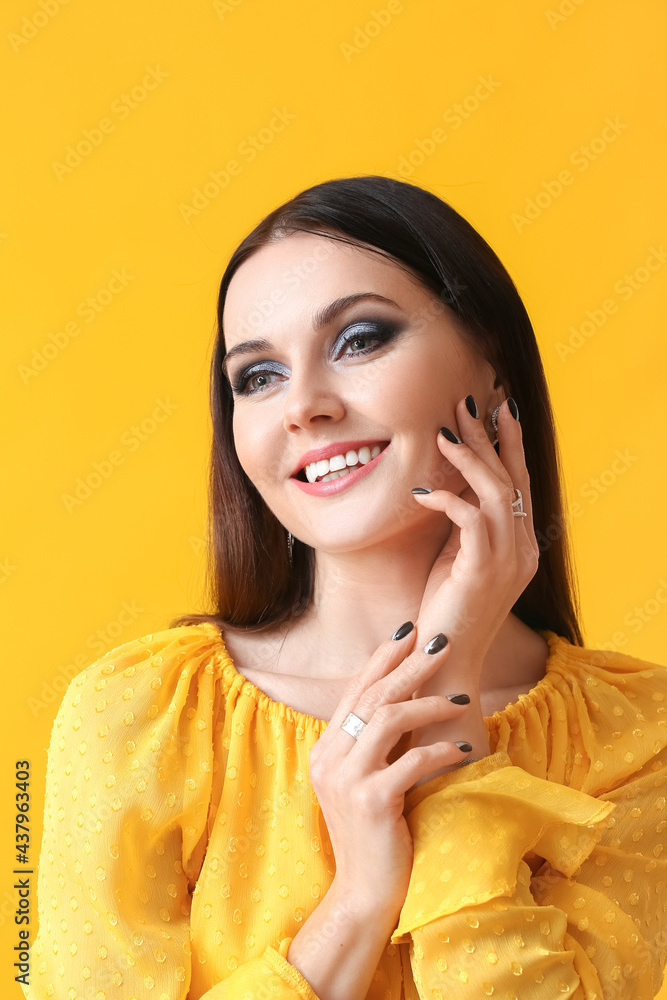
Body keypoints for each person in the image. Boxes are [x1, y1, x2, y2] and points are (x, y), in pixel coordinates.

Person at [24, 176, 667, 1000]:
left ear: (493, 370)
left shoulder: (636, 736)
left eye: (360, 338)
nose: (303, 407)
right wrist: (357, 903)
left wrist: (450, 693)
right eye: (256, 377)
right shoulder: (144, 717)